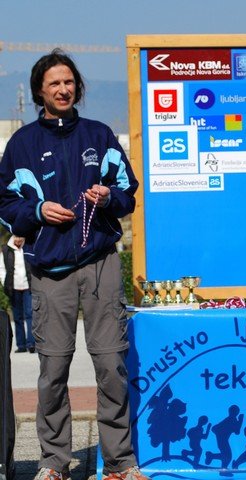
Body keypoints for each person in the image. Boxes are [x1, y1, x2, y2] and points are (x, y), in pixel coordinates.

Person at [0, 49, 147, 480]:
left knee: (111, 365)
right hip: (49, 270)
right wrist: (38, 211)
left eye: (69, 82)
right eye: (54, 84)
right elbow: (5, 204)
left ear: (77, 87)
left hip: (100, 262)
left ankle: (119, 462)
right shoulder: (22, 144)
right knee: (53, 369)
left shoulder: (99, 135)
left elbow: (128, 191)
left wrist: (109, 197)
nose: (63, 89)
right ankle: (53, 463)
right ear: (39, 92)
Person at [0, 235, 35, 353]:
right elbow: (1, 268)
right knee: (18, 317)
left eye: (21, 238)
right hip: (13, 288)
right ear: (13, 238)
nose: (18, 240)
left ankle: (31, 343)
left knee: (30, 314)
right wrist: (5, 281)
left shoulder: (28, 248)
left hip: (28, 287)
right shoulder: (6, 250)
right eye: (16, 237)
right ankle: (21, 345)